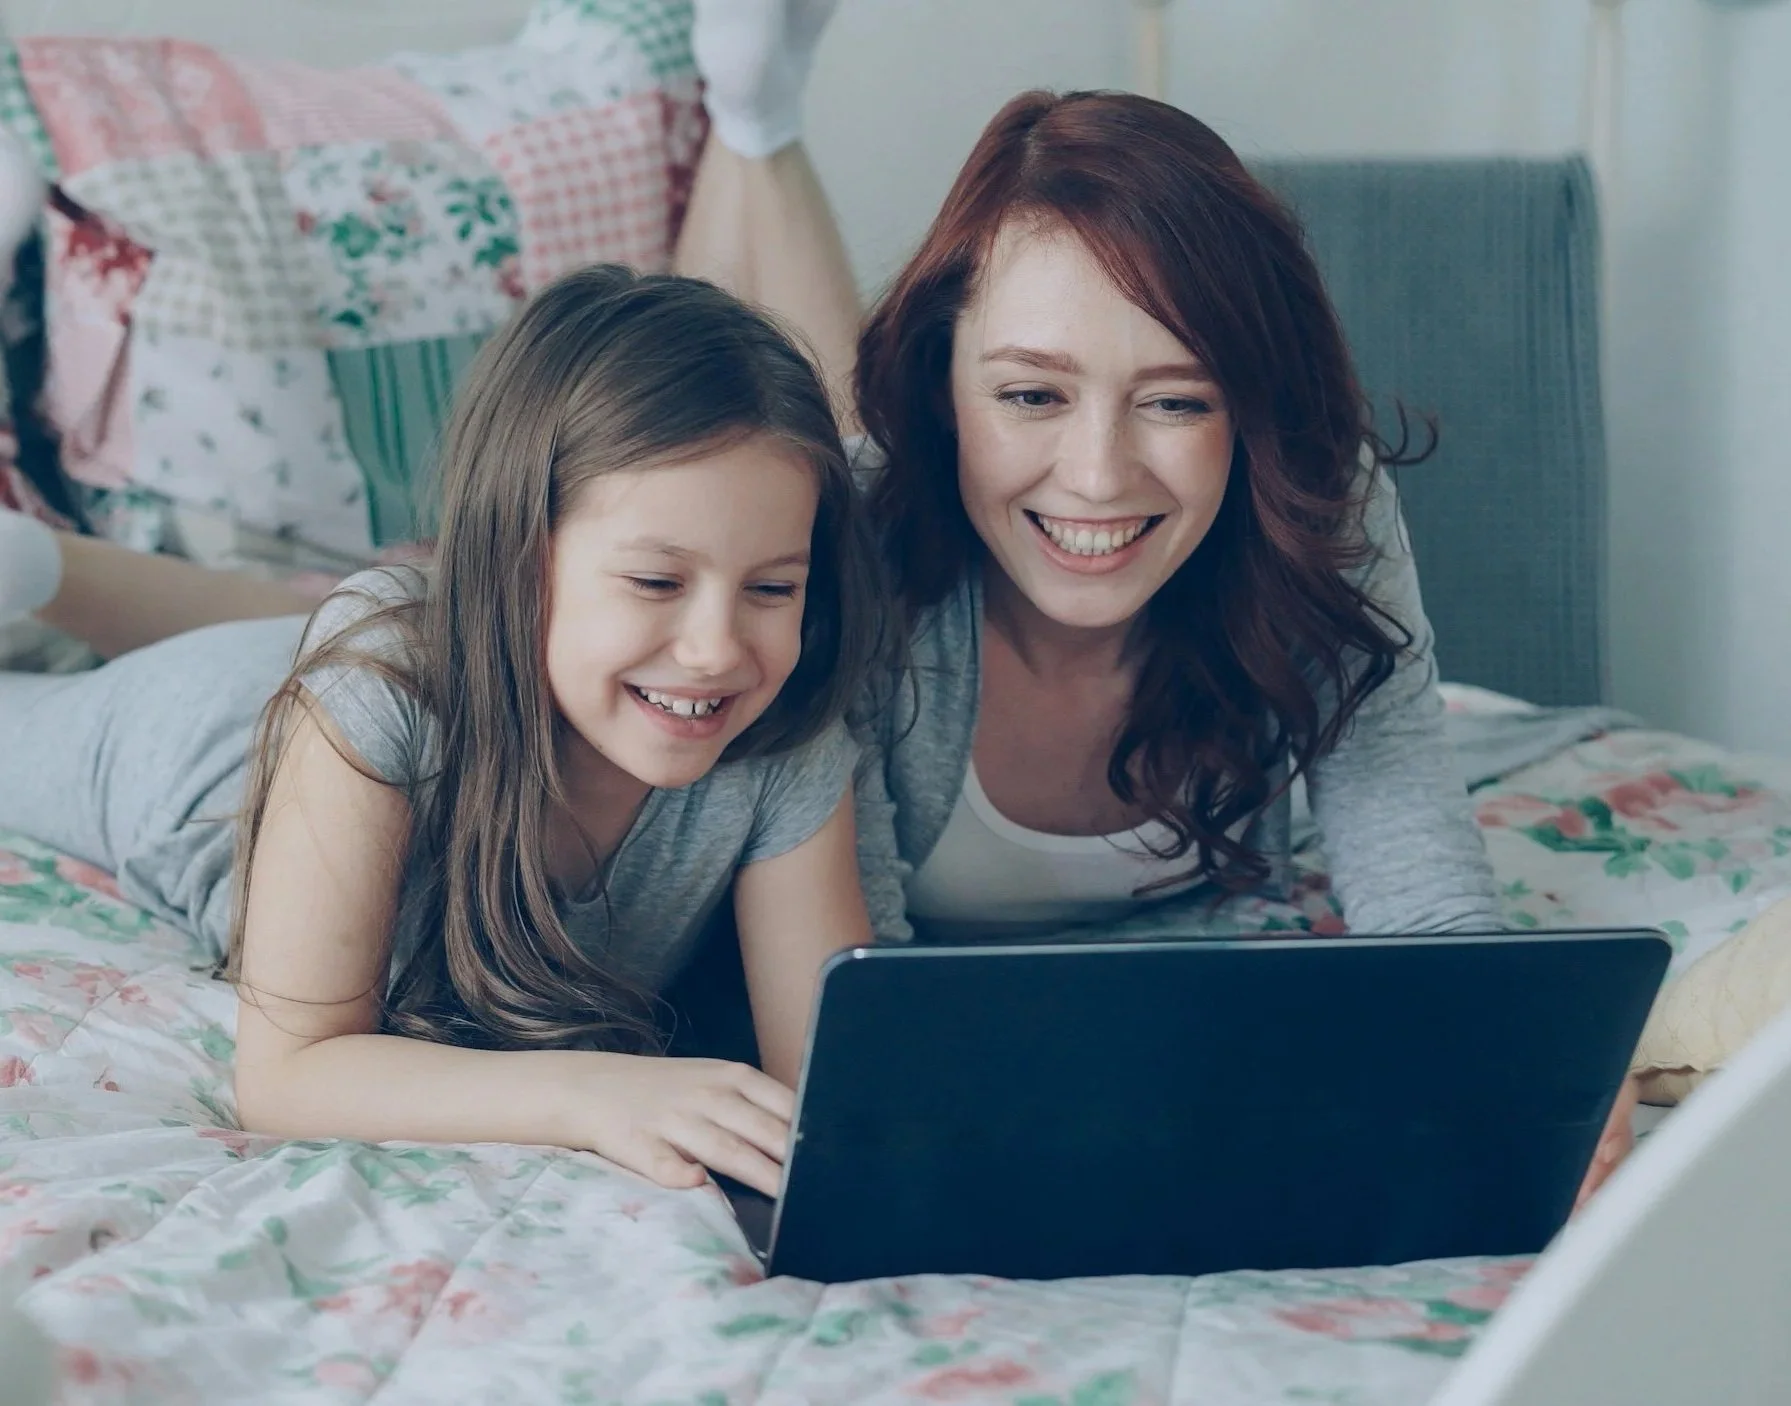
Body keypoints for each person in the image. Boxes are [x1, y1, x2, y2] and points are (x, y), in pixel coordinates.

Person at [0, 265, 885, 1199]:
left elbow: (831, 1094)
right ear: (516, 559)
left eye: (771, 588)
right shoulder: (377, 693)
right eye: (656, 583)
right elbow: (288, 1073)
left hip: (416, 650)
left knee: (351, 622)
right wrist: (594, 1094)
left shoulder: (781, 743)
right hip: (200, 741)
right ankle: (36, 566)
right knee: (350, 635)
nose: (716, 651)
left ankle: (38, 567)